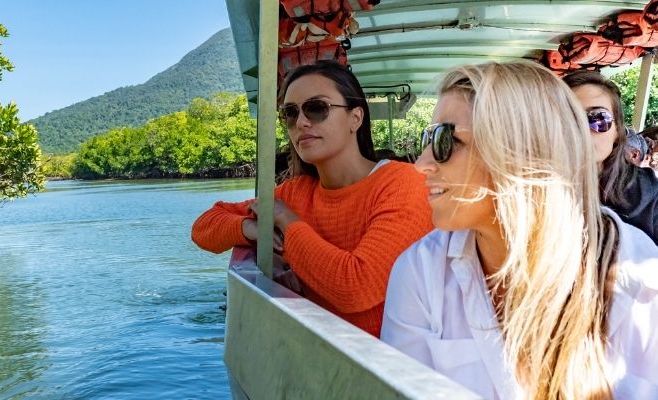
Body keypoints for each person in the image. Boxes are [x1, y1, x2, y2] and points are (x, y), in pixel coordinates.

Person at [380, 61, 658, 399]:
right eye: (427, 138)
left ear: (522, 151)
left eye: (444, 140)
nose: (421, 164)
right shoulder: (421, 272)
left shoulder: (640, 279)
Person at [191, 61, 433, 338]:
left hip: (393, 369)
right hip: (322, 361)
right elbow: (204, 227)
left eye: (317, 108)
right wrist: (253, 229)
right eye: (290, 114)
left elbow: (355, 287)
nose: (302, 122)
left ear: (356, 118)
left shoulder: (404, 184)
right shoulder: (297, 192)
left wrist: (286, 221)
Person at [563, 71, 658, 244]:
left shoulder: (650, 196)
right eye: (569, 118)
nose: (583, 130)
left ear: (618, 132)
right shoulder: (527, 189)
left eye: (599, 118)